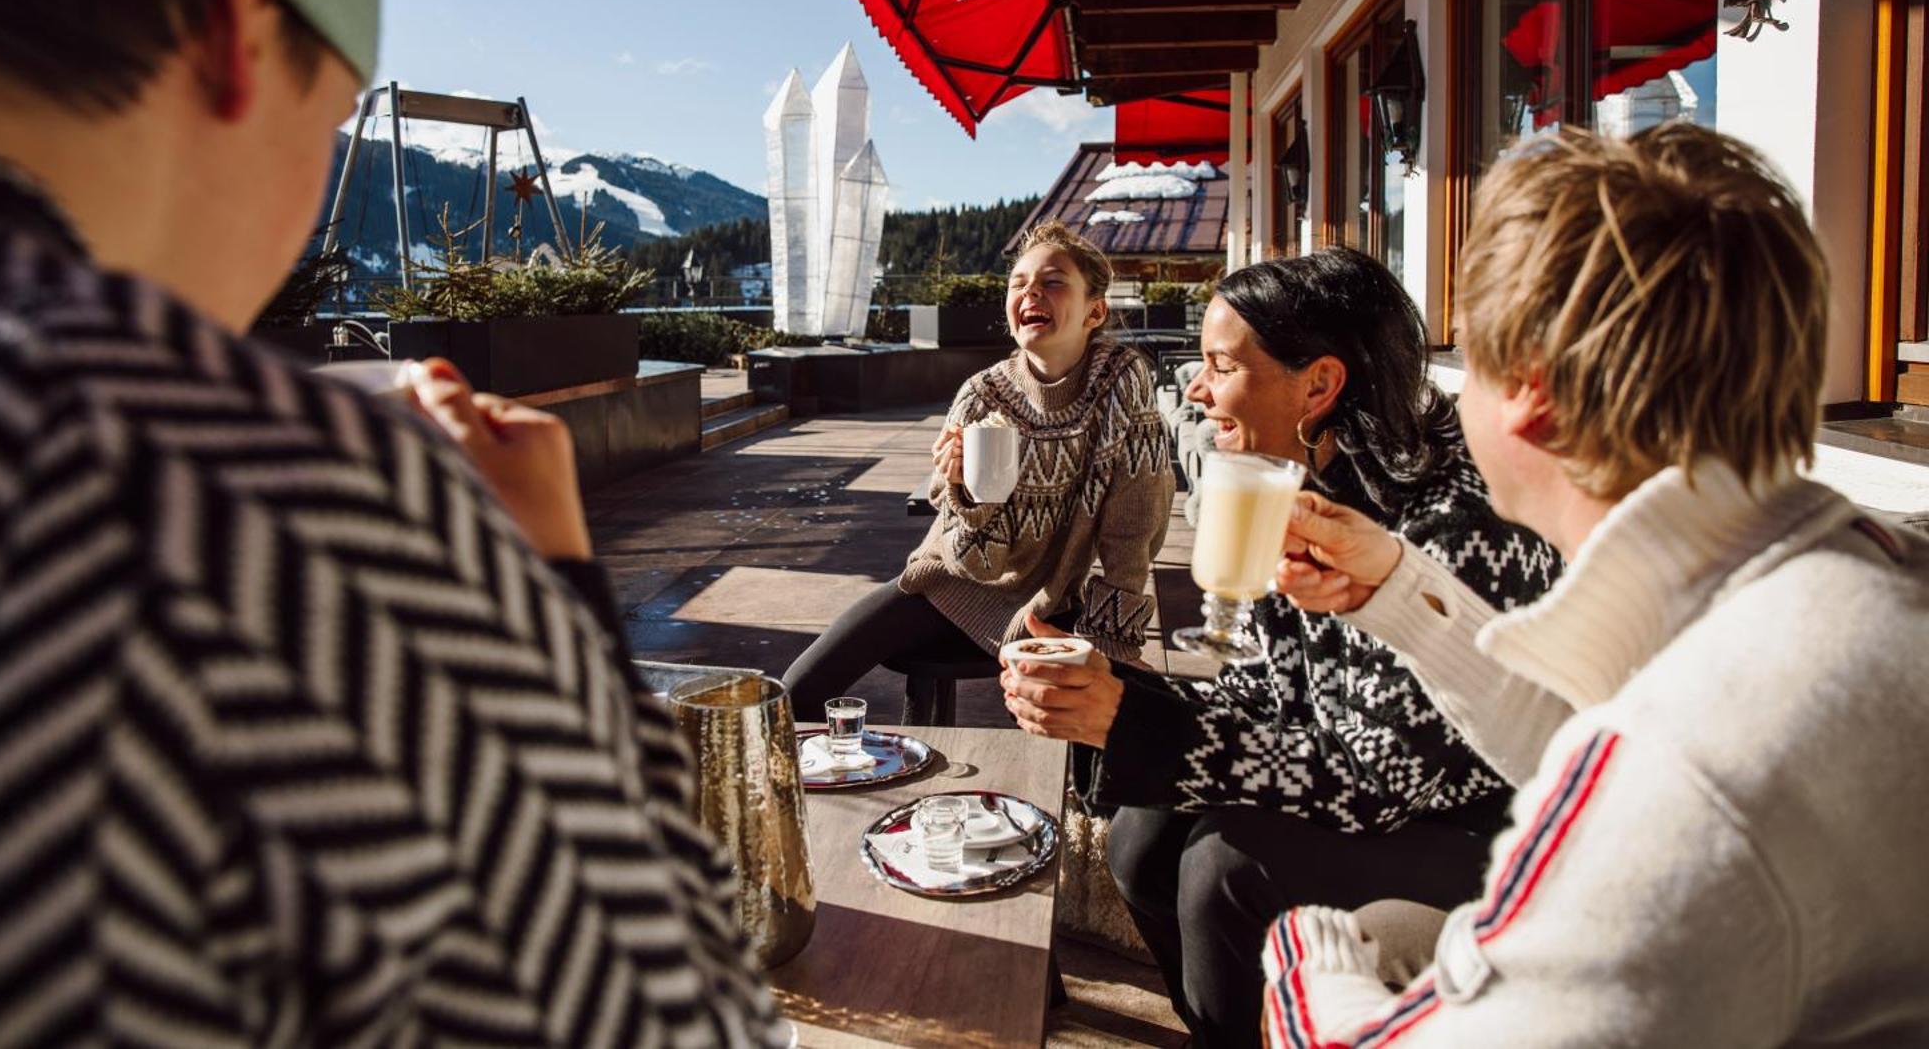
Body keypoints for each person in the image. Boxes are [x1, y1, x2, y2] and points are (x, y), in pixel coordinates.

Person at [0, 0, 787, 1044]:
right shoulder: (246, 503)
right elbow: (673, 1016)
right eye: (331, 120)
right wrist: (545, 589)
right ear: (233, 22)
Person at [1263, 124, 1929, 1046]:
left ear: (1530, 392)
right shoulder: (1858, 566)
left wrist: (1308, 959)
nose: (1451, 401)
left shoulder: (1680, 766)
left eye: (1472, 362)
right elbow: (1581, 731)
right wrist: (1397, 588)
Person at [999, 247, 1559, 1049]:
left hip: (1492, 828)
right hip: (1382, 786)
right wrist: (1117, 693)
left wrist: (1133, 721)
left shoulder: (1452, 522)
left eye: (1221, 365)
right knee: (1145, 831)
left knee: (1224, 870)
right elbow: (1266, 690)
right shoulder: (1296, 480)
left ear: (1320, 385)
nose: (1195, 388)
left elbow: (1381, 777)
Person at [783, 220, 1173, 720]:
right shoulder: (981, 395)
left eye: (1052, 281)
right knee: (794, 693)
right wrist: (965, 494)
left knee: (1134, 717)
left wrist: (1110, 641)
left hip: (1053, 600)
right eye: (1019, 283)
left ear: (1095, 311)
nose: (1031, 291)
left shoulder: (1123, 383)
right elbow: (976, 566)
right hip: (944, 584)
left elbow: (1134, 525)